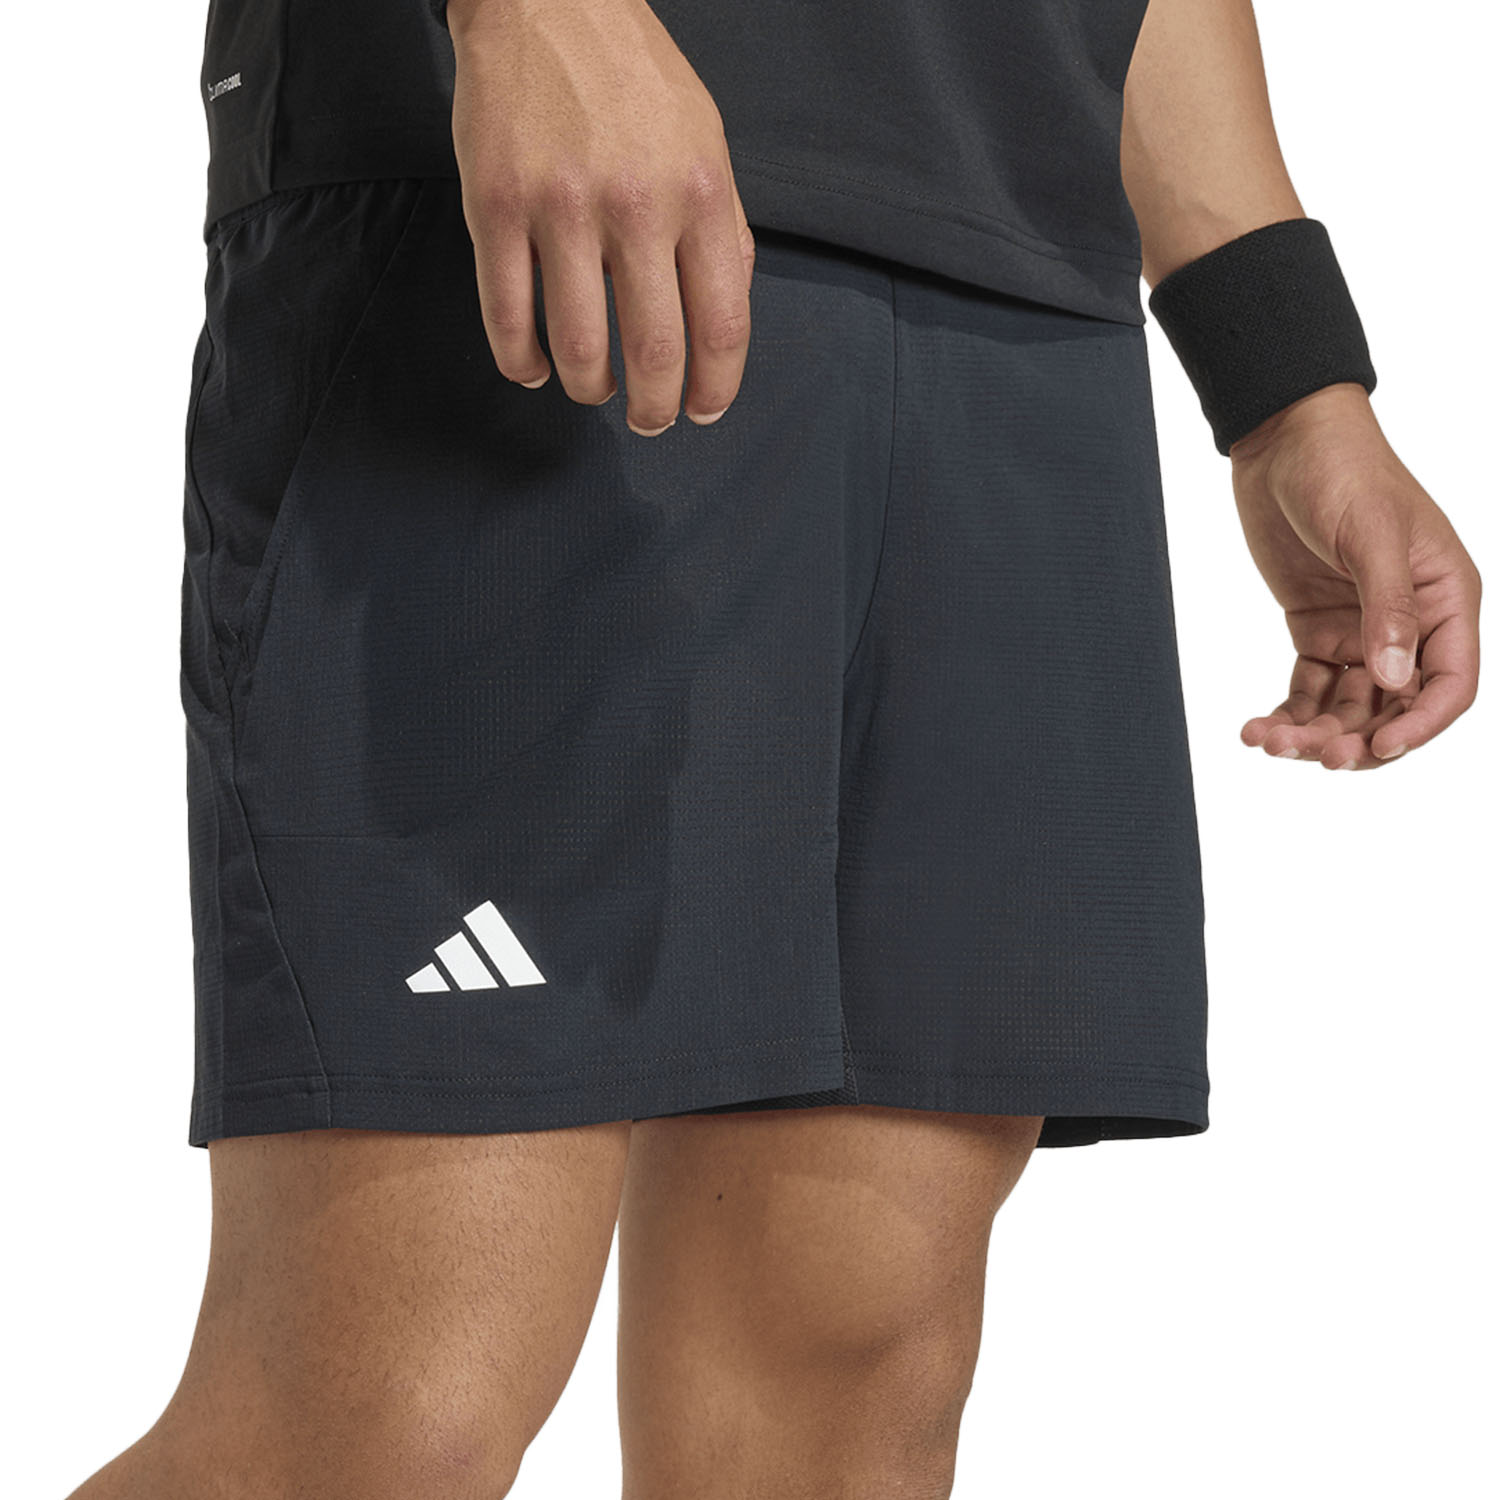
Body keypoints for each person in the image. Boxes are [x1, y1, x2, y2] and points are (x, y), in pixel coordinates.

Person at [69, 0, 1480, 1496]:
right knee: (375, 1430)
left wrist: (1288, 386)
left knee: (843, 1399)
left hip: (1015, 293)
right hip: (544, 214)